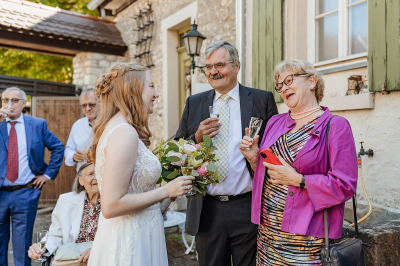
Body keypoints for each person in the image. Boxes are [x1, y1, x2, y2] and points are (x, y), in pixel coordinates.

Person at [239, 59, 358, 265]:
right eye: (279, 85)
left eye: (289, 80)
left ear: (311, 81)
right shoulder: (275, 122)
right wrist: (253, 158)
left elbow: (346, 185)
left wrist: (299, 180)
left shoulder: (336, 126)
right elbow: (268, 173)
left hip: (307, 238)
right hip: (268, 235)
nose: (283, 88)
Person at [175, 41, 278, 266]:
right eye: (208, 67)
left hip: (247, 206)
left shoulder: (262, 100)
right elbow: (176, 151)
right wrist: (197, 138)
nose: (213, 71)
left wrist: (256, 155)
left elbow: (276, 151)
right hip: (206, 208)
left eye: (220, 64)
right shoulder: (194, 103)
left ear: (237, 66)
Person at [86, 62, 195, 266]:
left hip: (141, 231)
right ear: (132, 91)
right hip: (130, 241)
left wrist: (168, 192)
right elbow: (111, 205)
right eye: (151, 86)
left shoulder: (120, 127)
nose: (156, 94)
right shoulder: (124, 133)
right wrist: (166, 190)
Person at [0, 87, 64, 266]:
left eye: (14, 100)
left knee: (22, 244)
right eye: (5, 100)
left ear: (23, 103)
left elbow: (58, 148)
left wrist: (47, 174)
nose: (9, 104)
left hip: (26, 192)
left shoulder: (37, 124)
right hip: (0, 193)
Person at [28, 163, 100, 264]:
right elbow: (56, 235)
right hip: (73, 260)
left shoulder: (114, 204)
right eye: (91, 174)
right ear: (81, 180)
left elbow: (119, 237)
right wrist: (42, 247)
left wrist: (97, 250)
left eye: (100, 172)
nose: (96, 177)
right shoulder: (66, 200)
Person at [65, 89, 99, 171]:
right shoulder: (77, 125)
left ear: (100, 103)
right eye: (84, 105)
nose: (87, 108)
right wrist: (73, 156)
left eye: (92, 104)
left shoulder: (109, 123)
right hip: (83, 177)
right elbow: (69, 149)